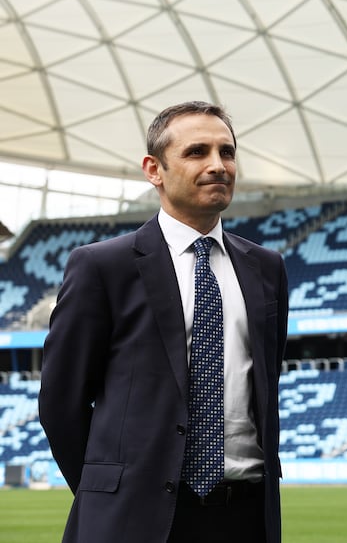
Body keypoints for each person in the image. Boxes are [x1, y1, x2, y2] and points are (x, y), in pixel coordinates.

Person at [39, 101, 290, 543]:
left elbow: (265, 386)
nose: (218, 165)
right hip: (135, 518)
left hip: (246, 516)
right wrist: (110, 493)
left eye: (227, 152)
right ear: (154, 169)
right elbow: (60, 403)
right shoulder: (103, 267)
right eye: (197, 152)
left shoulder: (266, 268)